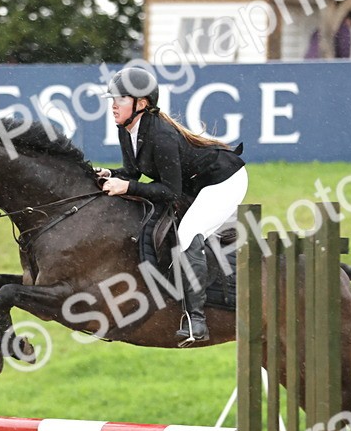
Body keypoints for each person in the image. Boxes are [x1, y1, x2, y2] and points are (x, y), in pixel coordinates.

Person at [95, 67, 248, 345]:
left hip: (223, 181)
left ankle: (196, 320)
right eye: (112, 99)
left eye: (120, 99)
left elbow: (169, 192)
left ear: (141, 104)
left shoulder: (161, 136)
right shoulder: (127, 129)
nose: (113, 105)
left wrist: (126, 187)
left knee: (188, 232)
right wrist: (110, 174)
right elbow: (131, 173)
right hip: (196, 182)